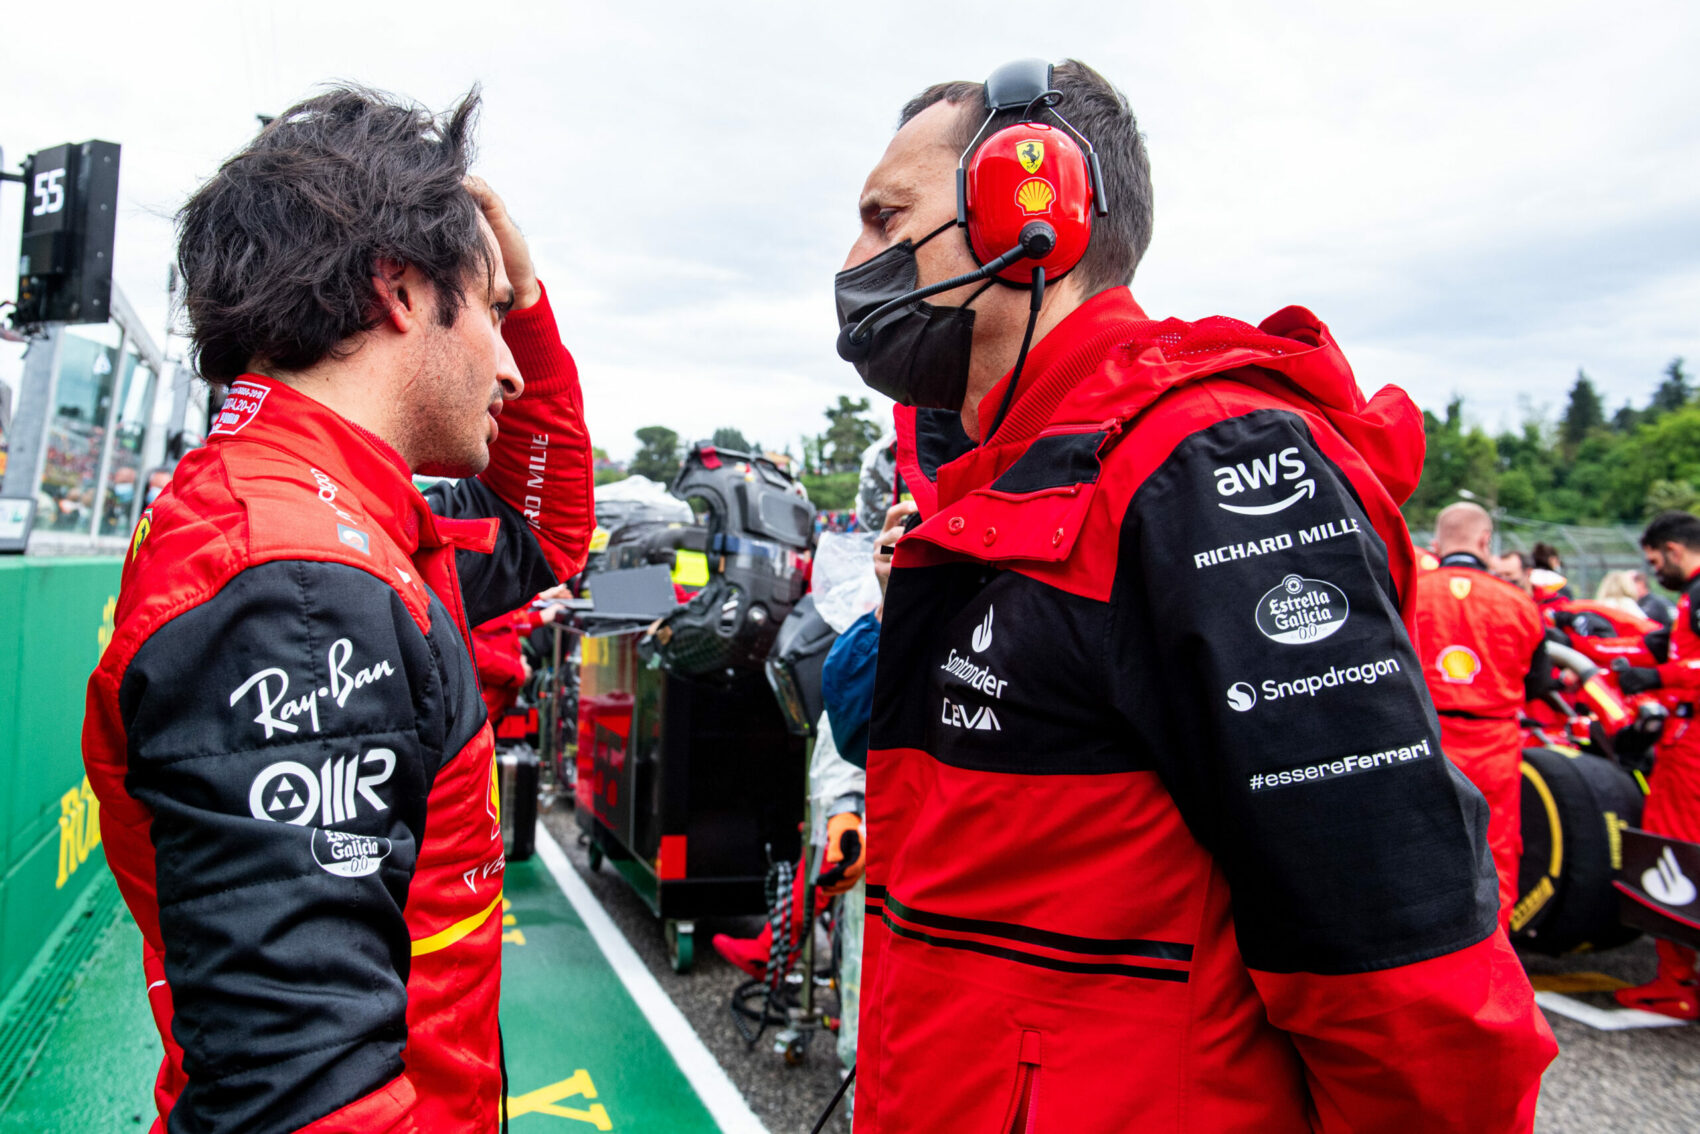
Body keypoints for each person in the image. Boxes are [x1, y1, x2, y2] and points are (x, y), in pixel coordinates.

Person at [835, 58, 1555, 1132]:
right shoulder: (1004, 485)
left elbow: (1396, 964)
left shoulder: (1194, 467)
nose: (855, 262)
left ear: (1032, 207)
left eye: (885, 216)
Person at [82, 86, 594, 1131]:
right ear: (399, 290)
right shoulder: (304, 583)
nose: (508, 366)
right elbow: (304, 1101)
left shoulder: (328, 513)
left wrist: (529, 302)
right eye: (496, 315)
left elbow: (544, 530)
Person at [1414, 503, 1549, 932]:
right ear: (1486, 543)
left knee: (1418, 848)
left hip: (1422, 739)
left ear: (1436, 545)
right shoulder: (1520, 602)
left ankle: (1426, 962)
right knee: (1495, 853)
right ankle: (1495, 967)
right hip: (1494, 744)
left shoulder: (1410, 589)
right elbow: (1540, 685)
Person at [1611, 510, 1700, 1019]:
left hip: (1689, 751)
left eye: (1654, 561)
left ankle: (1677, 982)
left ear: (1671, 549)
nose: (1654, 570)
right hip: (1683, 740)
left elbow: (1681, 663)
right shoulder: (1688, 603)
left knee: (1672, 852)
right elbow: (1663, 646)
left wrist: (1656, 680)